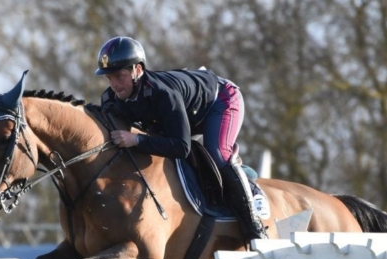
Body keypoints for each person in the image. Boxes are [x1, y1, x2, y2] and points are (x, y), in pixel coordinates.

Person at [95, 36, 267, 241]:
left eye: (119, 76)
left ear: (137, 70)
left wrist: (137, 140)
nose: (114, 84)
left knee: (217, 153)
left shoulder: (163, 94)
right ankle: (238, 174)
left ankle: (254, 224)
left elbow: (181, 146)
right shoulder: (110, 99)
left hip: (221, 100)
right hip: (189, 112)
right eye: (109, 78)